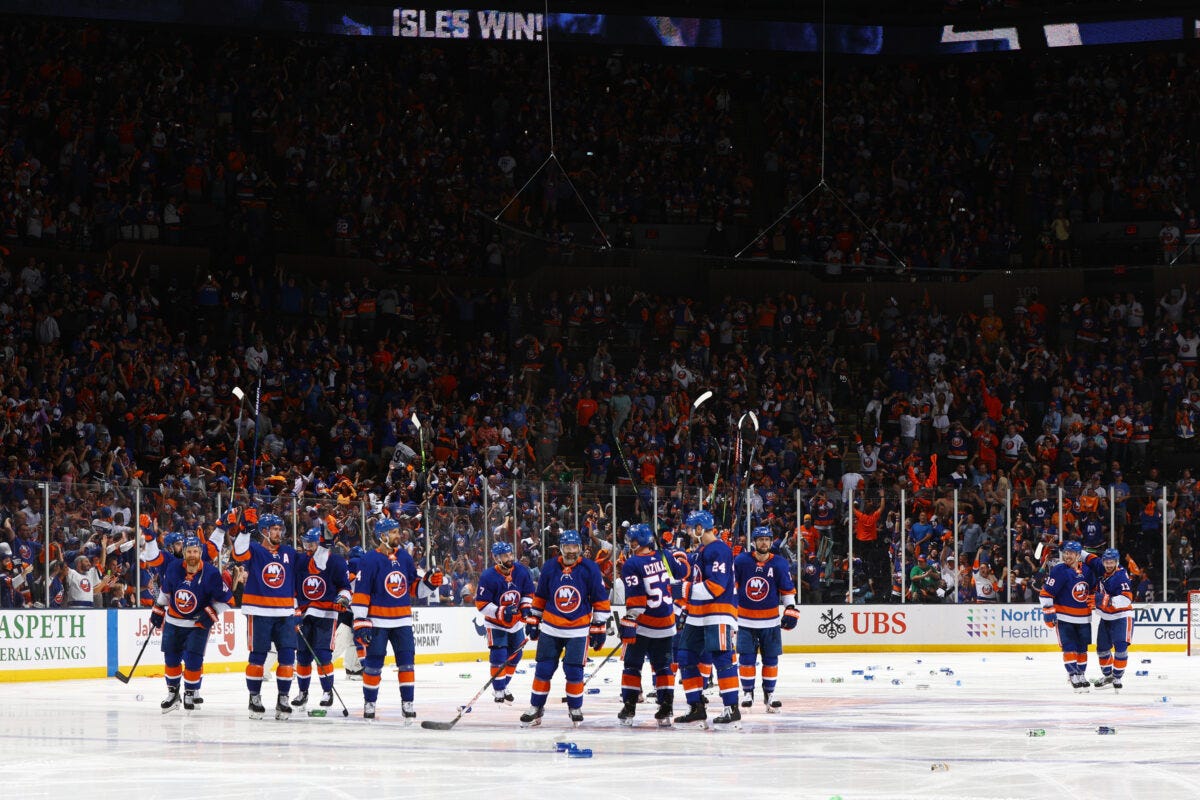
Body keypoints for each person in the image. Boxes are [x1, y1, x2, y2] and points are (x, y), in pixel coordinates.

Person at [520, 529, 611, 728]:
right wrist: (534, 618)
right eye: (568, 547)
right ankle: (536, 707)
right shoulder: (550, 566)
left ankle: (575, 707)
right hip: (551, 628)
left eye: (575, 547)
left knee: (574, 671)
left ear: (580, 548)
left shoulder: (590, 568)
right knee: (543, 669)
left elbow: (599, 598)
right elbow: (541, 595)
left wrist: (598, 626)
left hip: (578, 630)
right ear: (561, 548)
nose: (571, 551)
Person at [352, 517, 431, 722]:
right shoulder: (369, 559)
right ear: (383, 535)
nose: (399, 535)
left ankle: (408, 704)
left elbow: (414, 589)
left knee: (407, 664)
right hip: (377, 622)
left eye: (398, 531)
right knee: (373, 666)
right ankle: (369, 703)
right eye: (394, 532)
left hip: (402, 621)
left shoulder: (404, 557)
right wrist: (360, 621)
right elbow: (361, 593)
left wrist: (430, 584)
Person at [230, 507, 301, 719]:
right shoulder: (254, 549)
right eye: (274, 529)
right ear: (263, 531)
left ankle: (283, 699)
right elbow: (238, 553)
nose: (279, 533)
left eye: (280, 529)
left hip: (285, 612)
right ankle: (254, 698)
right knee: (258, 657)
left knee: (288, 656)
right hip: (259, 611)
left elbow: (302, 574)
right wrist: (244, 530)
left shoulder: (289, 552)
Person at [150, 534, 232, 713]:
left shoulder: (211, 573)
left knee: (194, 661)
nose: (192, 554)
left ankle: (190, 692)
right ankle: (173, 694)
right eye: (189, 551)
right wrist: (158, 608)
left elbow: (227, 600)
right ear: (184, 553)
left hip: (197, 625)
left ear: (200, 552)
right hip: (173, 622)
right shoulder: (173, 568)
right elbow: (166, 592)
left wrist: (211, 613)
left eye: (195, 551)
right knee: (171, 660)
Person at [675, 509, 741, 729]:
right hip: (698, 613)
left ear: (700, 528)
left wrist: (684, 590)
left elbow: (716, 586)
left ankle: (731, 708)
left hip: (718, 611)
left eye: (691, 527)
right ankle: (696, 706)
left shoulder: (719, 549)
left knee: (722, 658)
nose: (688, 531)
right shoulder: (703, 550)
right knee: (685, 656)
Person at [617, 523, 683, 727]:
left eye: (633, 541)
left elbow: (636, 599)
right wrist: (674, 555)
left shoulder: (632, 563)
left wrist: (630, 619)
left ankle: (629, 706)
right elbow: (682, 573)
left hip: (644, 625)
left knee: (632, 666)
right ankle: (666, 707)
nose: (630, 544)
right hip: (667, 622)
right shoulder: (664, 556)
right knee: (663, 667)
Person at [734, 526, 798, 713]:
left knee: (771, 659)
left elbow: (787, 590)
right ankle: (747, 692)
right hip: (745, 621)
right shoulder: (741, 561)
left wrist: (791, 608)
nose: (764, 542)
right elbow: (733, 587)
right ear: (754, 542)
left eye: (767, 539)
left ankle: (770, 694)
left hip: (770, 621)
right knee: (746, 659)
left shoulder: (779, 563)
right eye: (760, 539)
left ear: (771, 542)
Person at [293, 525, 352, 713]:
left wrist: (342, 599)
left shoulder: (336, 562)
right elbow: (292, 588)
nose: (307, 547)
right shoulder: (300, 561)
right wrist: (293, 608)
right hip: (303, 614)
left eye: (311, 543)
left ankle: (327, 692)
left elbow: (345, 588)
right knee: (302, 656)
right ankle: (303, 693)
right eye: (305, 543)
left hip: (326, 614)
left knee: (323, 655)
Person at [474, 541, 535, 705]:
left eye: (510, 554)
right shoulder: (488, 576)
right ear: (496, 558)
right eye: (505, 555)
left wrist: (526, 609)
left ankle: (503, 686)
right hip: (495, 624)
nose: (509, 558)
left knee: (516, 655)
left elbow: (528, 593)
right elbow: (481, 604)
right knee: (499, 654)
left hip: (515, 624)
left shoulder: (521, 571)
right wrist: (501, 611)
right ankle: (499, 689)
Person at [1039, 541, 1095, 692]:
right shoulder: (1059, 570)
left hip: (1084, 617)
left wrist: (1096, 599)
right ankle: (1072, 674)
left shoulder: (1088, 571)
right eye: (1065, 552)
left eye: (1070, 553)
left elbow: (1094, 589)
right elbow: (1046, 593)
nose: (1067, 555)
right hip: (1064, 617)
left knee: (1082, 649)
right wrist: (1048, 612)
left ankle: (1081, 673)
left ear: (1078, 555)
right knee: (1069, 648)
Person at [1089, 548, 1134, 689]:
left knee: (1120, 648)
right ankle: (1108, 676)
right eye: (1106, 562)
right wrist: (1066, 545)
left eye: (1112, 562)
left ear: (1117, 562)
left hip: (1122, 616)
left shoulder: (1121, 576)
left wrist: (1104, 599)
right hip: (1106, 616)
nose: (1108, 565)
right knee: (1102, 649)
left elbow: (1127, 600)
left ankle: (1117, 677)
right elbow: (1087, 557)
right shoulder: (1100, 566)